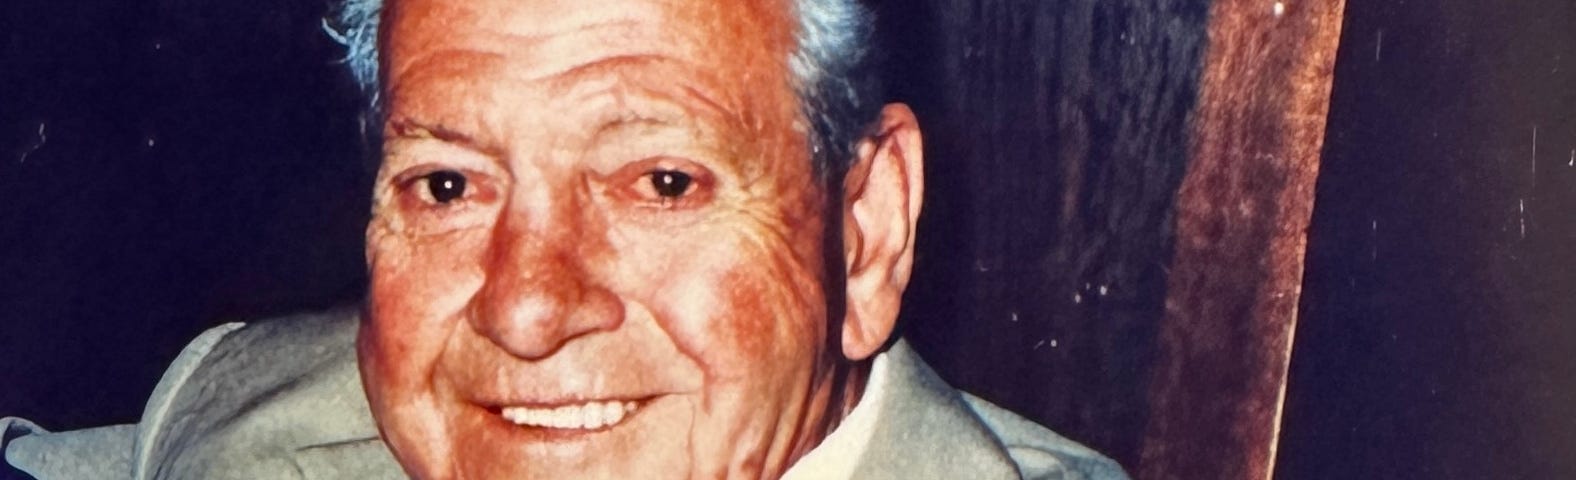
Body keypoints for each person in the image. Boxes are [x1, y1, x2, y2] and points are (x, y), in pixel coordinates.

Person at [2, 0, 1127, 478]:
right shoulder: (249, 407)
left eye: (660, 182)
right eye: (448, 184)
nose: (528, 311)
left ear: (867, 228)